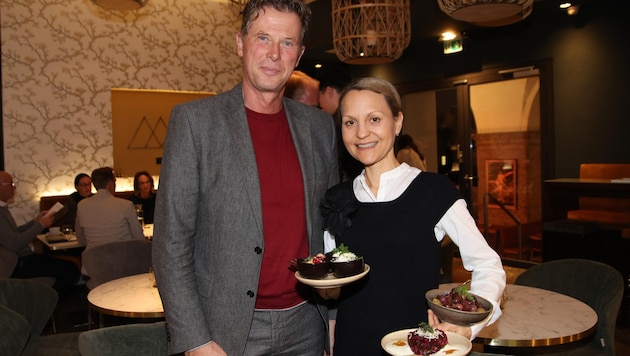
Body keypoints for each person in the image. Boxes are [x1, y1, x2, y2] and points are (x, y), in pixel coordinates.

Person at [152, 0, 339, 355]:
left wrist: (332, 315)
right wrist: (195, 340)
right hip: (225, 331)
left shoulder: (318, 128)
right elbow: (170, 245)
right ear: (240, 43)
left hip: (307, 323)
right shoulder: (195, 123)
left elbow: (328, 231)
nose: (273, 54)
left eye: (287, 43)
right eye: (263, 38)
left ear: (298, 55)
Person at [320, 77, 506, 355]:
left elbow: (488, 265)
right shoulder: (336, 198)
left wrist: (469, 326)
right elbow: (332, 287)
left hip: (415, 347)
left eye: (374, 119)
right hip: (352, 345)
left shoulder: (434, 191)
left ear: (397, 122)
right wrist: (330, 337)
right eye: (350, 122)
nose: (361, 133)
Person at [0, 171, 80, 299]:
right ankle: (48, 306)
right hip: (16, 264)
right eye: (10, 184)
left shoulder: (3, 208)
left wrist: (35, 222)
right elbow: (14, 244)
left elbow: (15, 232)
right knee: (70, 270)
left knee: (66, 267)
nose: (14, 187)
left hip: (22, 259)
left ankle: (49, 305)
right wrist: (40, 225)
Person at [75, 167, 144, 259]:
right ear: (111, 184)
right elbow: (139, 238)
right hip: (122, 263)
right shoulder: (126, 205)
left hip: (93, 264)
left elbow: (81, 239)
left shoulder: (82, 205)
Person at [316, 67, 362, 182]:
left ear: (328, 91)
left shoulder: (332, 123)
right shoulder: (360, 115)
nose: (319, 104)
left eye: (319, 97)